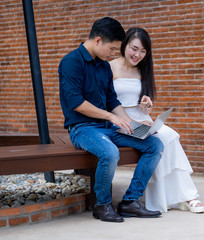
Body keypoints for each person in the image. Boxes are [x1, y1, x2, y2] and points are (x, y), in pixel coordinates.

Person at [58, 17, 164, 223]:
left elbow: (111, 100)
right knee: (110, 152)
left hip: (107, 127)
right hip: (82, 128)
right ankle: (102, 205)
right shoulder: (71, 62)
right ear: (98, 40)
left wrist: (131, 124)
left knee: (154, 144)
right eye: (113, 49)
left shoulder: (104, 67)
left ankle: (130, 201)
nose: (114, 54)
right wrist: (111, 117)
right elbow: (76, 102)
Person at [109, 27, 204, 214]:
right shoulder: (110, 67)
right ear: (125, 44)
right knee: (161, 140)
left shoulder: (143, 70)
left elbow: (142, 103)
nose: (138, 55)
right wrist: (131, 121)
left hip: (142, 118)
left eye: (143, 51)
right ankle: (183, 196)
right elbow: (107, 101)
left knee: (170, 135)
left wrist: (147, 107)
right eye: (134, 48)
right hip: (120, 121)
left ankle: (186, 195)